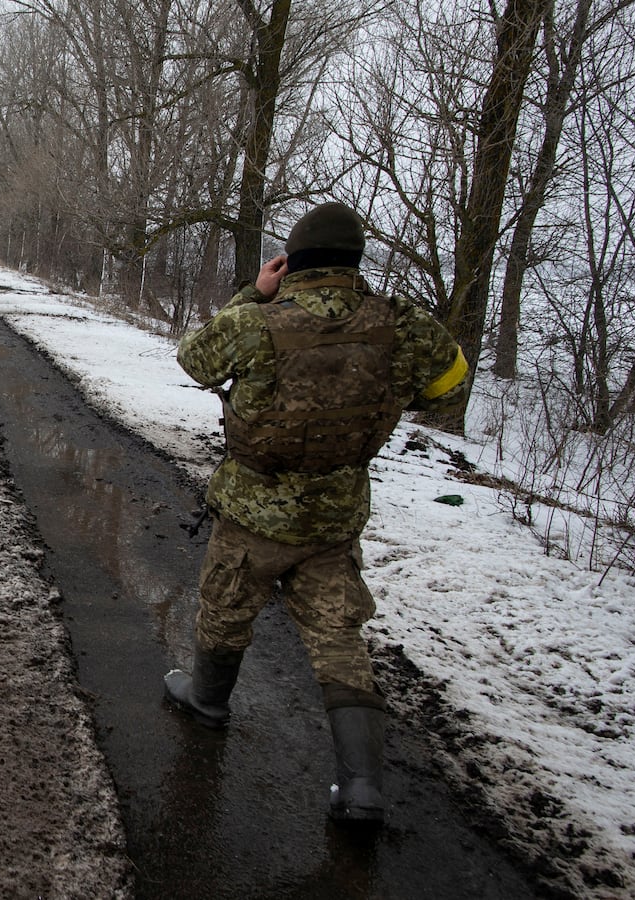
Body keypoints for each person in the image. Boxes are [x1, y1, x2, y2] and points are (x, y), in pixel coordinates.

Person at [164, 201, 470, 825]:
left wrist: (254, 292)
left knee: (225, 609)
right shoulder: (403, 323)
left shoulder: (258, 321)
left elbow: (195, 359)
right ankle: (362, 788)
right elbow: (451, 387)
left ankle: (207, 702)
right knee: (338, 635)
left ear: (294, 262)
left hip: (254, 513)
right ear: (354, 260)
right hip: (334, 517)